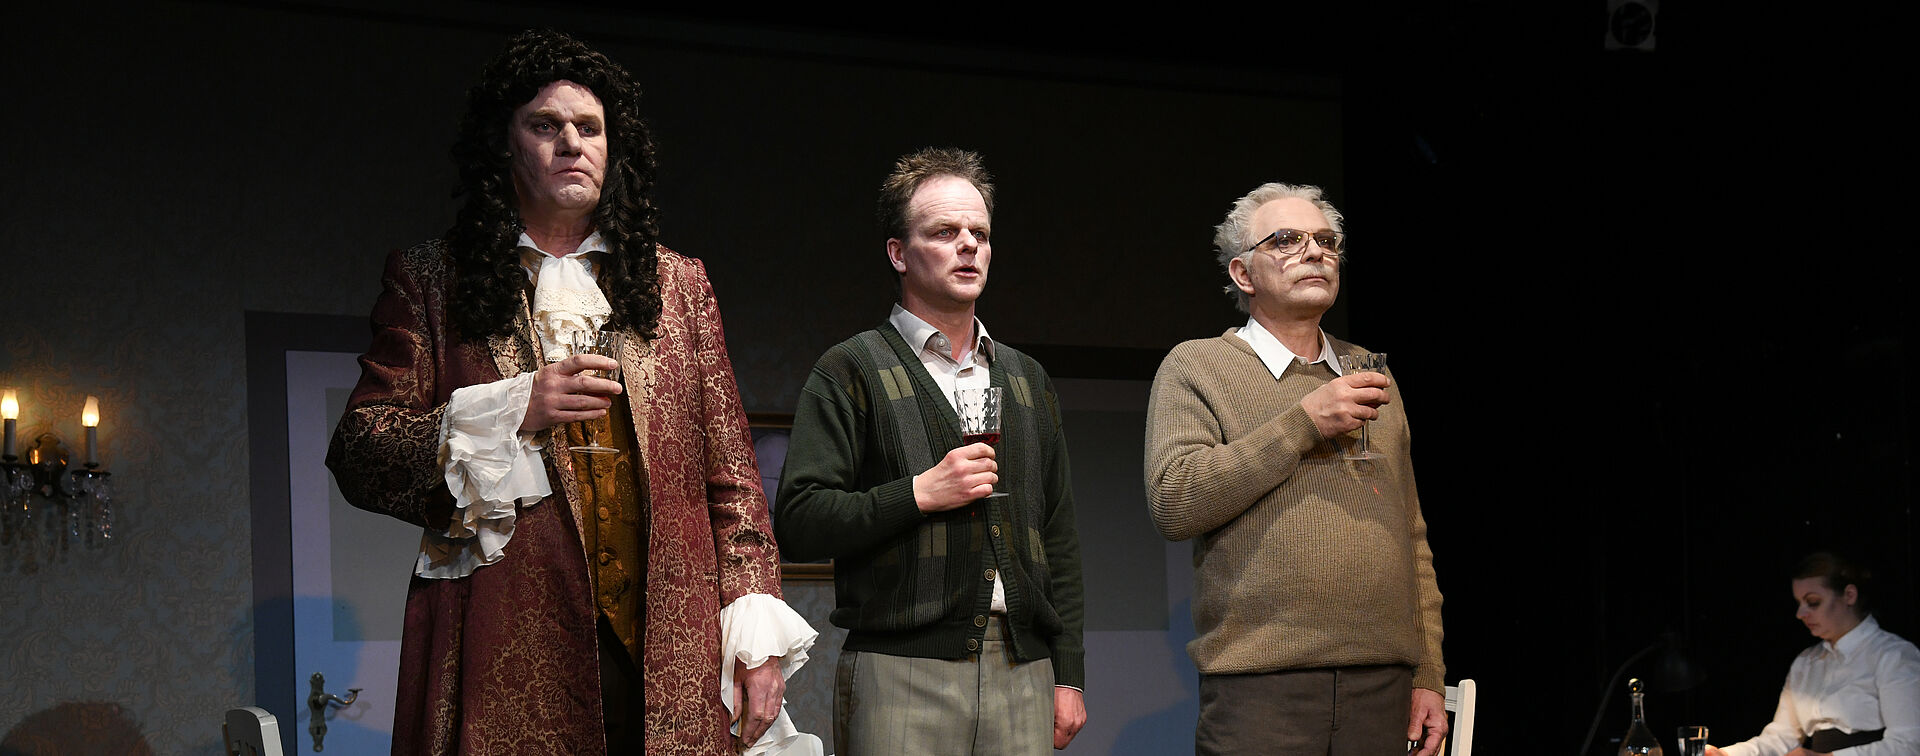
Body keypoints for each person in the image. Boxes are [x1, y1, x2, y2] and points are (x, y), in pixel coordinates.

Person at [326, 29, 817, 756]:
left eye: (589, 128)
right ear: (505, 145)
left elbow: (734, 481)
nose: (570, 143)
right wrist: (511, 407)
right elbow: (361, 452)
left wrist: (760, 642)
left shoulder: (678, 285)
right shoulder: (434, 280)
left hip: (667, 650)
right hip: (505, 644)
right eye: (545, 126)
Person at [773, 147, 1087, 754]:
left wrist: (1069, 670)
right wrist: (919, 493)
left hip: (1023, 668)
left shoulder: (1025, 378)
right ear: (898, 253)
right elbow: (800, 521)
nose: (968, 245)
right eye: (945, 232)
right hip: (900, 668)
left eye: (980, 233)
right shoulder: (852, 368)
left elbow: (1059, 536)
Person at [1143, 182, 1448, 755]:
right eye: (1285, 240)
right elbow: (1176, 501)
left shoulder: (1372, 371)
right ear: (1242, 273)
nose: (1314, 252)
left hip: (1384, 683)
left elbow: (1411, 534)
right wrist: (1302, 421)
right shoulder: (1197, 366)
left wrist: (1428, 669)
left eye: (1327, 241)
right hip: (1261, 688)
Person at [1707, 552, 1920, 756]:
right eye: (1799, 603)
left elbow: (1909, 745)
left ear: (1849, 595)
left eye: (1813, 602)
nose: (1800, 614)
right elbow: (1781, 738)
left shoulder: (1894, 656)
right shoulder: (1806, 662)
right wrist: (1726, 753)